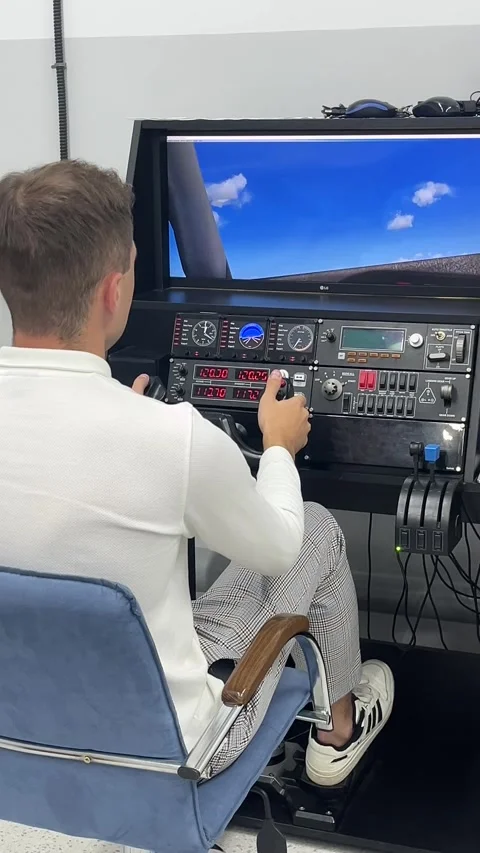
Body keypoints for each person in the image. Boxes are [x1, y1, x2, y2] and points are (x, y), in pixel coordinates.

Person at [0, 160, 394, 785]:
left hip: (18, 732)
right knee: (313, 529)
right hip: (170, 747)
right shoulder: (172, 435)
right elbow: (277, 548)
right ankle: (337, 733)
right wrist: (279, 448)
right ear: (112, 290)